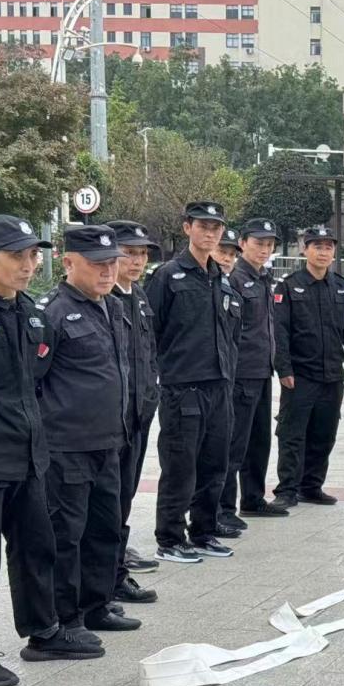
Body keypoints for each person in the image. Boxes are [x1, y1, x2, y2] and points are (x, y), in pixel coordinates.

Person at [0, 215, 103, 686]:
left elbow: (36, 378)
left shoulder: (30, 314)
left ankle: (43, 632)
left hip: (28, 456)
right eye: (17, 256)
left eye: (33, 254)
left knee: (36, 547)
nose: (29, 264)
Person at [36, 225, 140, 633]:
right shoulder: (52, 312)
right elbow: (33, 379)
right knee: (66, 536)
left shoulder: (111, 306)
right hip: (67, 446)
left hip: (109, 441)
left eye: (112, 262)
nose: (107, 271)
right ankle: (65, 620)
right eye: (97, 264)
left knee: (104, 529)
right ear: (68, 262)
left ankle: (97, 605)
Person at [144, 200, 243, 563]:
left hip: (219, 385)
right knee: (180, 466)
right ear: (187, 228)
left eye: (216, 227)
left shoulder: (221, 277)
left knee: (215, 464)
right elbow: (150, 332)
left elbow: (232, 334)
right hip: (182, 388)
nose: (210, 233)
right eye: (202, 226)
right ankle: (170, 537)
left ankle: (204, 530)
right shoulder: (168, 276)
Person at [269, 226, 344, 511]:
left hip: (332, 375)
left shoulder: (340, 286)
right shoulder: (289, 286)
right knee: (292, 434)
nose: (323, 252)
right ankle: (287, 490)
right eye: (317, 246)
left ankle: (311, 486)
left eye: (328, 247)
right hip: (300, 375)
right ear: (305, 250)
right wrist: (283, 368)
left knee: (324, 434)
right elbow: (279, 331)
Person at [105, 220, 161, 603]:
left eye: (142, 254)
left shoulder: (138, 295)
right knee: (107, 501)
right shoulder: (104, 297)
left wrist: (151, 395)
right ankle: (108, 575)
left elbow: (149, 350)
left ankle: (117, 564)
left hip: (139, 414)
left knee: (125, 494)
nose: (137, 261)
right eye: (129, 253)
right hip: (111, 420)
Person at [219, 218, 285, 528]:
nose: (264, 249)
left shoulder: (263, 279)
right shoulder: (234, 278)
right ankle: (223, 509)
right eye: (259, 243)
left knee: (259, 441)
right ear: (243, 244)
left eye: (269, 244)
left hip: (262, 371)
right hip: (241, 372)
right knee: (234, 443)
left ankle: (253, 498)